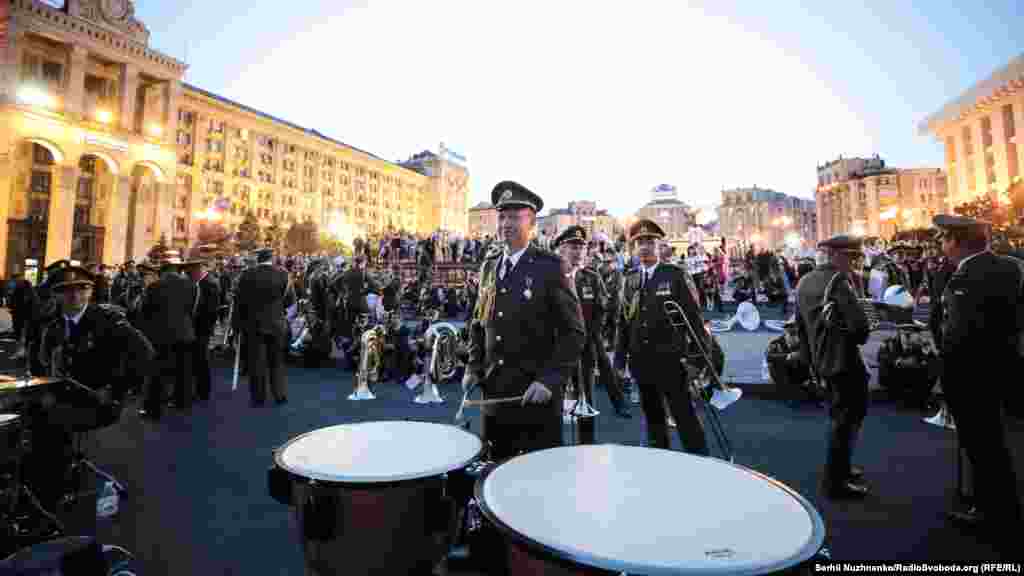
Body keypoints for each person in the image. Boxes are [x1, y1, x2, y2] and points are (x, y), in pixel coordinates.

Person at [462, 180, 585, 462]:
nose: (506, 223)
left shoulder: (551, 266)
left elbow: (574, 333)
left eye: (515, 216)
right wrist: (472, 366)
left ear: (532, 223)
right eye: (502, 216)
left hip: (535, 397)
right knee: (494, 474)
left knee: (539, 478)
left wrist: (549, 380)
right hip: (495, 395)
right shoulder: (489, 267)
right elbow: (479, 323)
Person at [32, 261, 154, 512]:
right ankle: (36, 481)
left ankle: (50, 493)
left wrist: (116, 389)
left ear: (90, 290)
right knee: (25, 418)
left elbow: (144, 353)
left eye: (82, 287)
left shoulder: (108, 320)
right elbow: (41, 367)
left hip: (99, 402)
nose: (75, 294)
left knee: (48, 426)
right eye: (66, 289)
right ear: (55, 293)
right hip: (60, 398)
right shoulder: (51, 327)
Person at [933, 215, 1021, 552]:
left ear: (955, 241)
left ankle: (993, 515)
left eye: (944, 239)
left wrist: (944, 378)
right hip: (1006, 367)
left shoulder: (966, 276)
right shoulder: (1010, 268)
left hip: (971, 377)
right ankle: (1000, 509)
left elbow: (956, 335)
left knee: (983, 448)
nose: (942, 246)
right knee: (996, 445)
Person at [614, 218, 709, 454]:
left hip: (671, 360)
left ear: (660, 246)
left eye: (649, 241)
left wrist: (698, 359)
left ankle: (700, 462)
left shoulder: (675, 275)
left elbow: (695, 321)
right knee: (653, 418)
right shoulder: (630, 280)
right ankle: (661, 462)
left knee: (684, 416)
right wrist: (619, 359)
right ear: (634, 248)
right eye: (639, 243)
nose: (644, 246)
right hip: (641, 361)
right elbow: (624, 322)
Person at [795, 235, 870, 499]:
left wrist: (811, 361)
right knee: (848, 418)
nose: (854, 263)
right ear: (837, 256)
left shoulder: (804, 281)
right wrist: (859, 298)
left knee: (840, 416)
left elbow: (800, 328)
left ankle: (842, 468)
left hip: (821, 360)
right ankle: (837, 480)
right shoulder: (838, 281)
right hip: (844, 360)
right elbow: (861, 329)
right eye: (852, 257)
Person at [553, 225, 630, 424]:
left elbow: (602, 307)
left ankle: (618, 403)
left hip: (589, 339)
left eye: (581, 247)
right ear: (562, 249)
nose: (578, 251)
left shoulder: (591, 277)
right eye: (573, 247)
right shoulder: (553, 278)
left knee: (600, 374)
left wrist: (594, 332)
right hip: (560, 344)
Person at [233, 247, 294, 406]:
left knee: (256, 362)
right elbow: (289, 300)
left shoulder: (246, 275)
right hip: (276, 323)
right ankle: (279, 394)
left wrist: (236, 325)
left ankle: (258, 397)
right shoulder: (283, 275)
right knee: (276, 361)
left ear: (257, 258)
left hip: (253, 324)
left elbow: (240, 302)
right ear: (271, 258)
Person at [138, 261, 198, 419]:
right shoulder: (191, 285)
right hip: (185, 333)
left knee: (157, 373)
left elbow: (145, 311)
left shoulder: (154, 287)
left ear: (162, 272)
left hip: (161, 335)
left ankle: (153, 409)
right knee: (184, 370)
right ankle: (182, 402)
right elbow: (192, 309)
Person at [181, 253, 221, 403]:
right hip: (194, 328)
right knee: (195, 361)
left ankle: (203, 392)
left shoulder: (210, 284)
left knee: (201, 361)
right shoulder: (197, 284)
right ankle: (196, 390)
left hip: (201, 329)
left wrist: (200, 326)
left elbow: (210, 311)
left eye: (189, 272)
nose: (187, 275)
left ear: (197, 269)